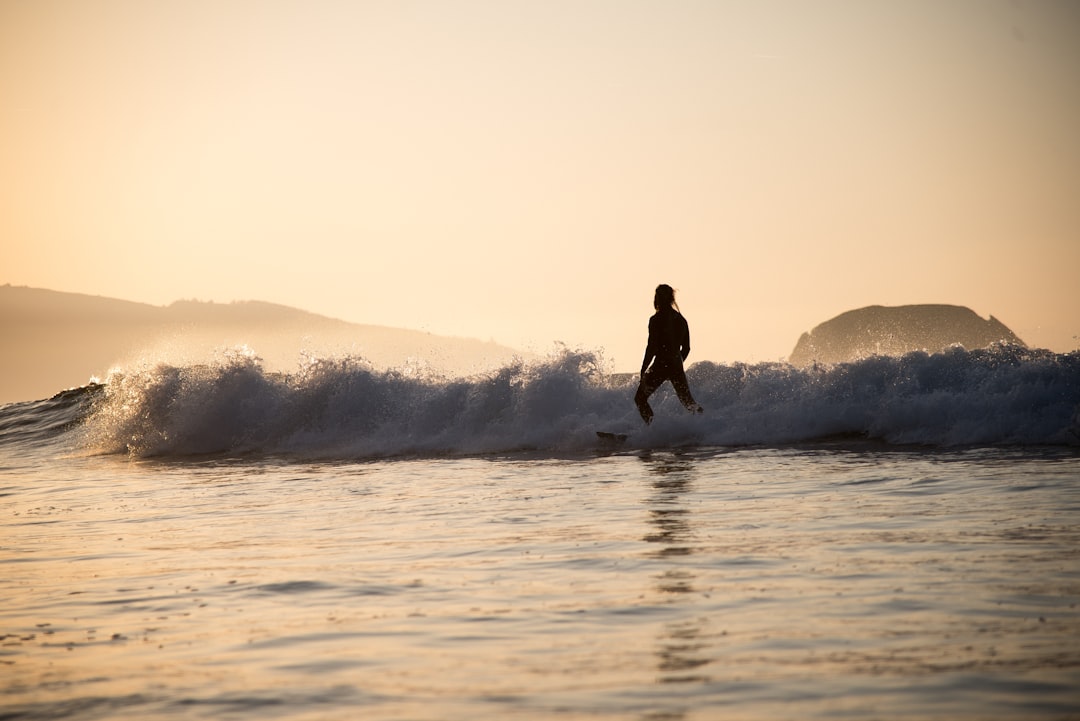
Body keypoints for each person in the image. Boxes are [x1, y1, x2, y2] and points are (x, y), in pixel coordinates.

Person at [634, 284, 704, 424]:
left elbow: (652, 347)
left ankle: (651, 429)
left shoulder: (656, 320)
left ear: (657, 299)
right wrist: (676, 364)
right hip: (676, 364)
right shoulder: (681, 320)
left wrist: (643, 369)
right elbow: (687, 348)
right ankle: (706, 424)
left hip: (661, 364)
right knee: (688, 402)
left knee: (640, 398)